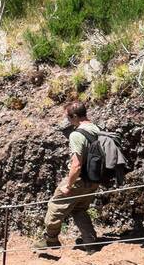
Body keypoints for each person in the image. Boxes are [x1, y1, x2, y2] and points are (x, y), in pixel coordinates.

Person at [40, 101, 104, 253]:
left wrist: (68, 185)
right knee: (79, 209)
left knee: (55, 205)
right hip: (94, 179)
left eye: (68, 117)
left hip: (80, 179)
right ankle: (90, 243)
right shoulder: (97, 129)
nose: (68, 120)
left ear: (75, 116)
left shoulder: (77, 134)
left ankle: (51, 240)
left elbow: (76, 165)